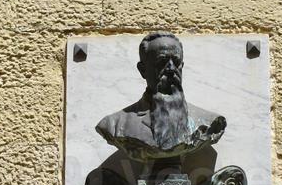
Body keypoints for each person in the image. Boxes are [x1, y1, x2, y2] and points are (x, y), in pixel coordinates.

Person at [96, 33, 226, 164]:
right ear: (143, 70)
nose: (170, 69)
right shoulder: (116, 124)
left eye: (176, 62)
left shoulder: (208, 122)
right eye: (162, 62)